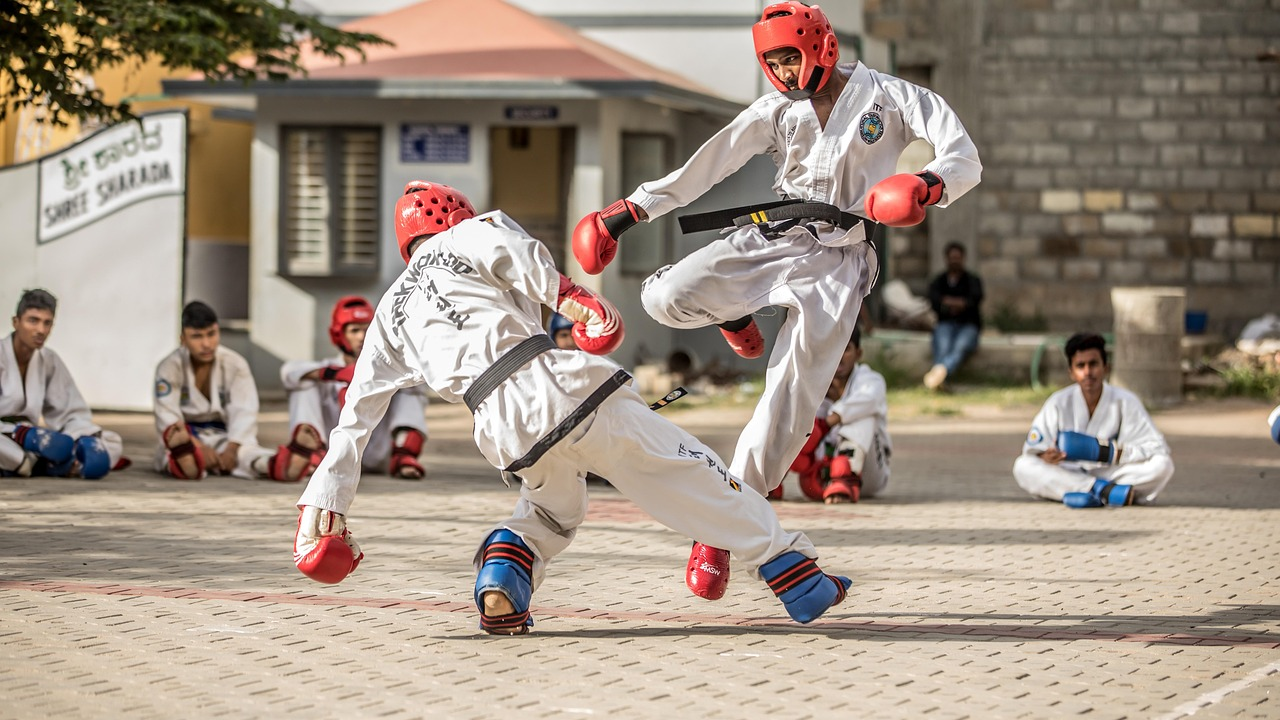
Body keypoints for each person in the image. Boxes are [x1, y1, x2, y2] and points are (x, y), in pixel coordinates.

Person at [292, 181, 852, 634]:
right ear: (454, 217)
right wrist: (572, 296)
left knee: (553, 509)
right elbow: (510, 252)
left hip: (500, 426)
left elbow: (354, 420)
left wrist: (325, 509)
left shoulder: (389, 311)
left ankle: (503, 580)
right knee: (686, 468)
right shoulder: (471, 233)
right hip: (552, 382)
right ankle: (796, 575)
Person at [571, 1, 981, 600]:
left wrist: (927, 184)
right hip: (775, 237)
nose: (786, 73)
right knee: (665, 296)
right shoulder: (777, 111)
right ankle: (733, 312)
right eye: (774, 62)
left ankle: (722, 520)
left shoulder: (892, 97)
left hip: (840, 262)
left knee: (788, 404)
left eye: (792, 58)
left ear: (823, 47)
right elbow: (706, 164)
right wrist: (628, 210)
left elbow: (962, 153)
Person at [1013, 333, 1175, 508]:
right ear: (1071, 373)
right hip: (1068, 471)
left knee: (1163, 465)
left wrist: (1114, 453)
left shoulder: (1126, 401)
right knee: (1023, 466)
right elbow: (1032, 450)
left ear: (1106, 367)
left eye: (1093, 364)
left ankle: (1083, 491)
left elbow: (1158, 447)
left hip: (1110, 472)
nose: (1088, 372)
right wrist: (1046, 455)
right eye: (1080, 366)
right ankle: (1103, 491)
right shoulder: (1058, 402)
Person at [280, 296, 429, 480]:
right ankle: (309, 452)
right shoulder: (326, 368)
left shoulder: (387, 368)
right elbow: (288, 372)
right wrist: (334, 374)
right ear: (339, 334)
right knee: (304, 384)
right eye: (354, 330)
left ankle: (404, 453)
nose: (361, 336)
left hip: (376, 455)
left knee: (411, 388)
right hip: (329, 453)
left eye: (367, 330)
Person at [153, 301, 304, 481]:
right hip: (187, 439)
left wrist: (231, 450)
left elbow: (245, 411)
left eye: (211, 334)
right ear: (183, 339)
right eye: (197, 336)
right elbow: (168, 417)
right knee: (171, 452)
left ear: (218, 332)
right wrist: (198, 446)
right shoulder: (169, 367)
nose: (206, 344)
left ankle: (274, 465)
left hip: (225, 436)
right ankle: (187, 461)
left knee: (247, 453)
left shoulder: (235, 364)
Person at [0, 289, 124, 479]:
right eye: (33, 320)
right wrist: (18, 434)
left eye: (47, 323)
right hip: (7, 438)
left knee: (109, 443)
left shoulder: (49, 360)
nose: (40, 330)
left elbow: (70, 412)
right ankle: (42, 464)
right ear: (15, 322)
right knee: (16, 449)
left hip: (34, 441)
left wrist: (84, 439)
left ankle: (40, 462)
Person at [788, 327, 891, 504]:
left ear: (858, 353)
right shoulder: (811, 385)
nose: (839, 356)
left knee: (863, 414)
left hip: (868, 476)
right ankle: (770, 481)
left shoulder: (870, 380)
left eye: (846, 349)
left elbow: (870, 400)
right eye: (832, 349)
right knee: (791, 416)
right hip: (819, 476)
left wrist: (826, 424)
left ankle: (845, 479)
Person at [924, 242, 984, 390]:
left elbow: (974, 300)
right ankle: (941, 380)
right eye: (952, 257)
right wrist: (959, 303)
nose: (955, 260)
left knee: (960, 347)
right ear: (947, 259)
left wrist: (949, 302)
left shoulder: (972, 280)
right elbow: (935, 301)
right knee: (943, 346)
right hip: (945, 323)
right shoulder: (939, 281)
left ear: (963, 258)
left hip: (968, 324)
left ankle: (939, 375)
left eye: (958, 257)